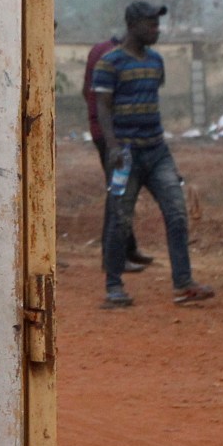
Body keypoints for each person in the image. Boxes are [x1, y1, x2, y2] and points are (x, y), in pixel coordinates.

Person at [93, 1, 214, 308]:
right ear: (132, 25)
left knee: (177, 214)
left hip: (158, 151)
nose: (156, 29)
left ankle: (184, 284)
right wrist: (113, 147)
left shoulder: (156, 61)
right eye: (151, 24)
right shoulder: (109, 63)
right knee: (120, 220)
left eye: (157, 24)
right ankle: (113, 286)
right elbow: (103, 108)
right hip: (126, 156)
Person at [85, 35, 152, 272]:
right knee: (119, 190)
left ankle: (129, 248)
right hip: (113, 135)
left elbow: (87, 92)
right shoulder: (114, 57)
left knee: (123, 188)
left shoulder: (99, 49)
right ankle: (113, 257)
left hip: (103, 131)